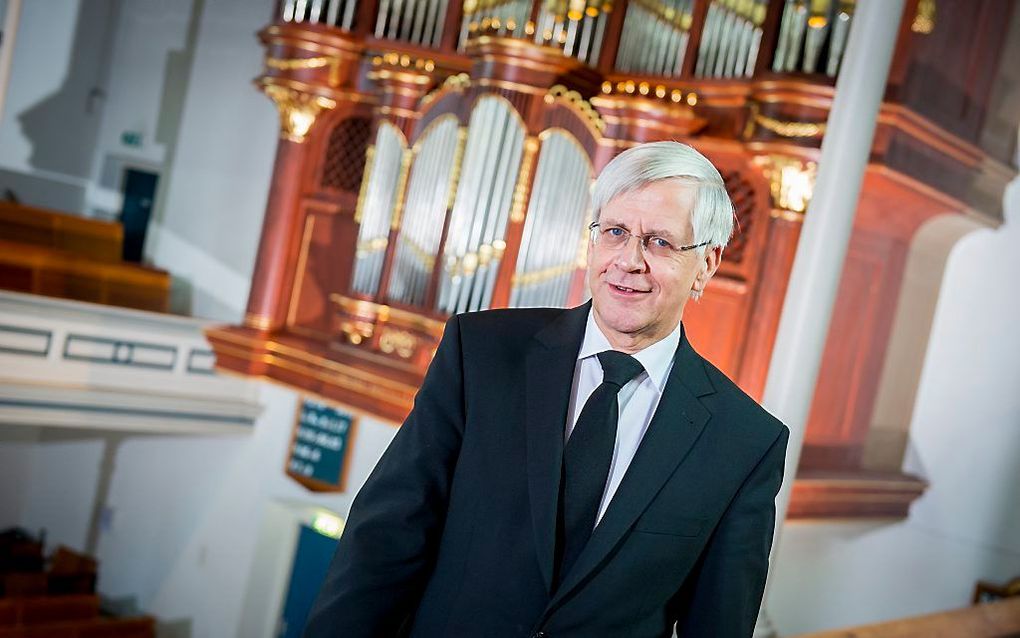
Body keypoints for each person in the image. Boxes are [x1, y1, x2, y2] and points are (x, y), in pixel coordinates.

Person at [304, 141, 789, 638]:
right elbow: (386, 536)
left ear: (706, 264)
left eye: (660, 243)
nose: (629, 261)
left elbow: (719, 624)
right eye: (616, 233)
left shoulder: (745, 441)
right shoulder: (482, 353)